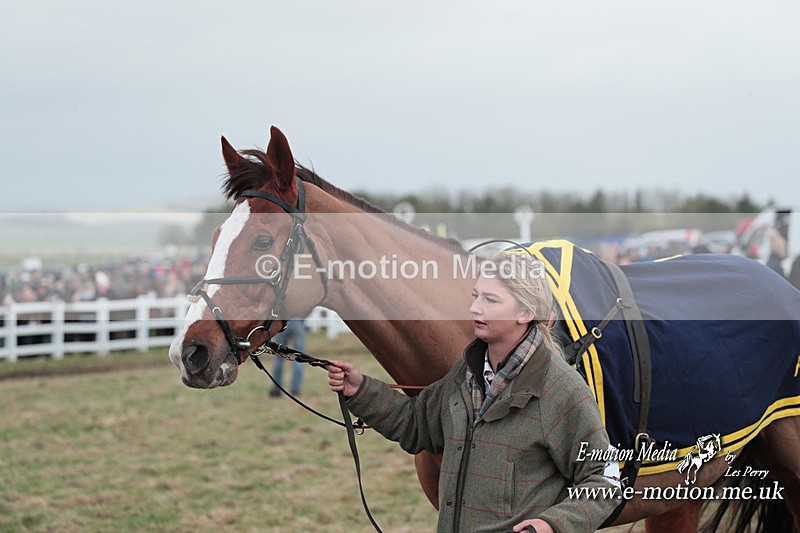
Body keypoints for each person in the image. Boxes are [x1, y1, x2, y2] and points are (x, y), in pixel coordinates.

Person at [327, 253, 617, 533]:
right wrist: (361, 390)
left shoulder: (559, 387)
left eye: (490, 300)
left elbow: (605, 478)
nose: (475, 308)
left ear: (525, 313)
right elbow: (417, 424)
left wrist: (552, 525)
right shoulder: (464, 373)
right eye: (475, 296)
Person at [270, 318, 308, 396]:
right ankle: (295, 389)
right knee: (299, 358)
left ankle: (277, 389)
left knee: (278, 357)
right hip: (298, 321)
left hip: (283, 323)